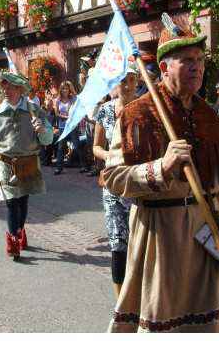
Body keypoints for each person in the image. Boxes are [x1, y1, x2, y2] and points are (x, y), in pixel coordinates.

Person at [100, 14, 219, 333]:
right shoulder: (138, 114)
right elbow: (115, 178)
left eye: (201, 60)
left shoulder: (211, 119)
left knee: (205, 319)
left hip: (207, 230)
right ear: (164, 68)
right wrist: (160, 167)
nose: (197, 67)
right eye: (187, 60)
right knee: (163, 317)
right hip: (160, 233)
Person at [0, 71, 54, 260]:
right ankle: (13, 241)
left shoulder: (34, 110)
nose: (6, 90)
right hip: (6, 163)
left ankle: (20, 230)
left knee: (23, 201)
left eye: (10, 87)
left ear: (20, 89)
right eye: (4, 86)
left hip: (29, 163)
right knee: (12, 204)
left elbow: (48, 140)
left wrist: (42, 130)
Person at [93, 63, 139, 298]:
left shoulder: (146, 109)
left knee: (139, 243)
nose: (127, 84)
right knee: (117, 242)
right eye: (122, 79)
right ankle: (120, 303)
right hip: (112, 185)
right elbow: (96, 147)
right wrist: (111, 155)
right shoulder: (105, 110)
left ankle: (139, 297)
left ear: (137, 82)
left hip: (139, 186)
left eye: (131, 79)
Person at [54, 81, 80, 175]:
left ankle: (84, 166)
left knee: (77, 146)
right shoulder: (57, 100)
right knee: (61, 147)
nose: (65, 90)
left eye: (66, 88)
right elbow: (57, 114)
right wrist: (66, 117)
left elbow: (77, 98)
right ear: (60, 90)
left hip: (72, 126)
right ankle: (59, 168)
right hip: (62, 127)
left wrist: (71, 85)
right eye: (63, 88)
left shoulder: (72, 98)